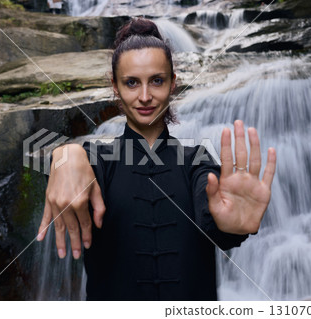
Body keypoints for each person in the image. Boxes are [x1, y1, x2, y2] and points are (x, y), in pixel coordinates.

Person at [37, 18, 276, 300]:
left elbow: (213, 214)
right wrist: (64, 154)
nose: (145, 96)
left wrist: (232, 227)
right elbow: (61, 157)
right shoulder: (98, 159)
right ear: (116, 87)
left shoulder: (197, 159)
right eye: (131, 83)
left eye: (157, 81)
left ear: (173, 84)